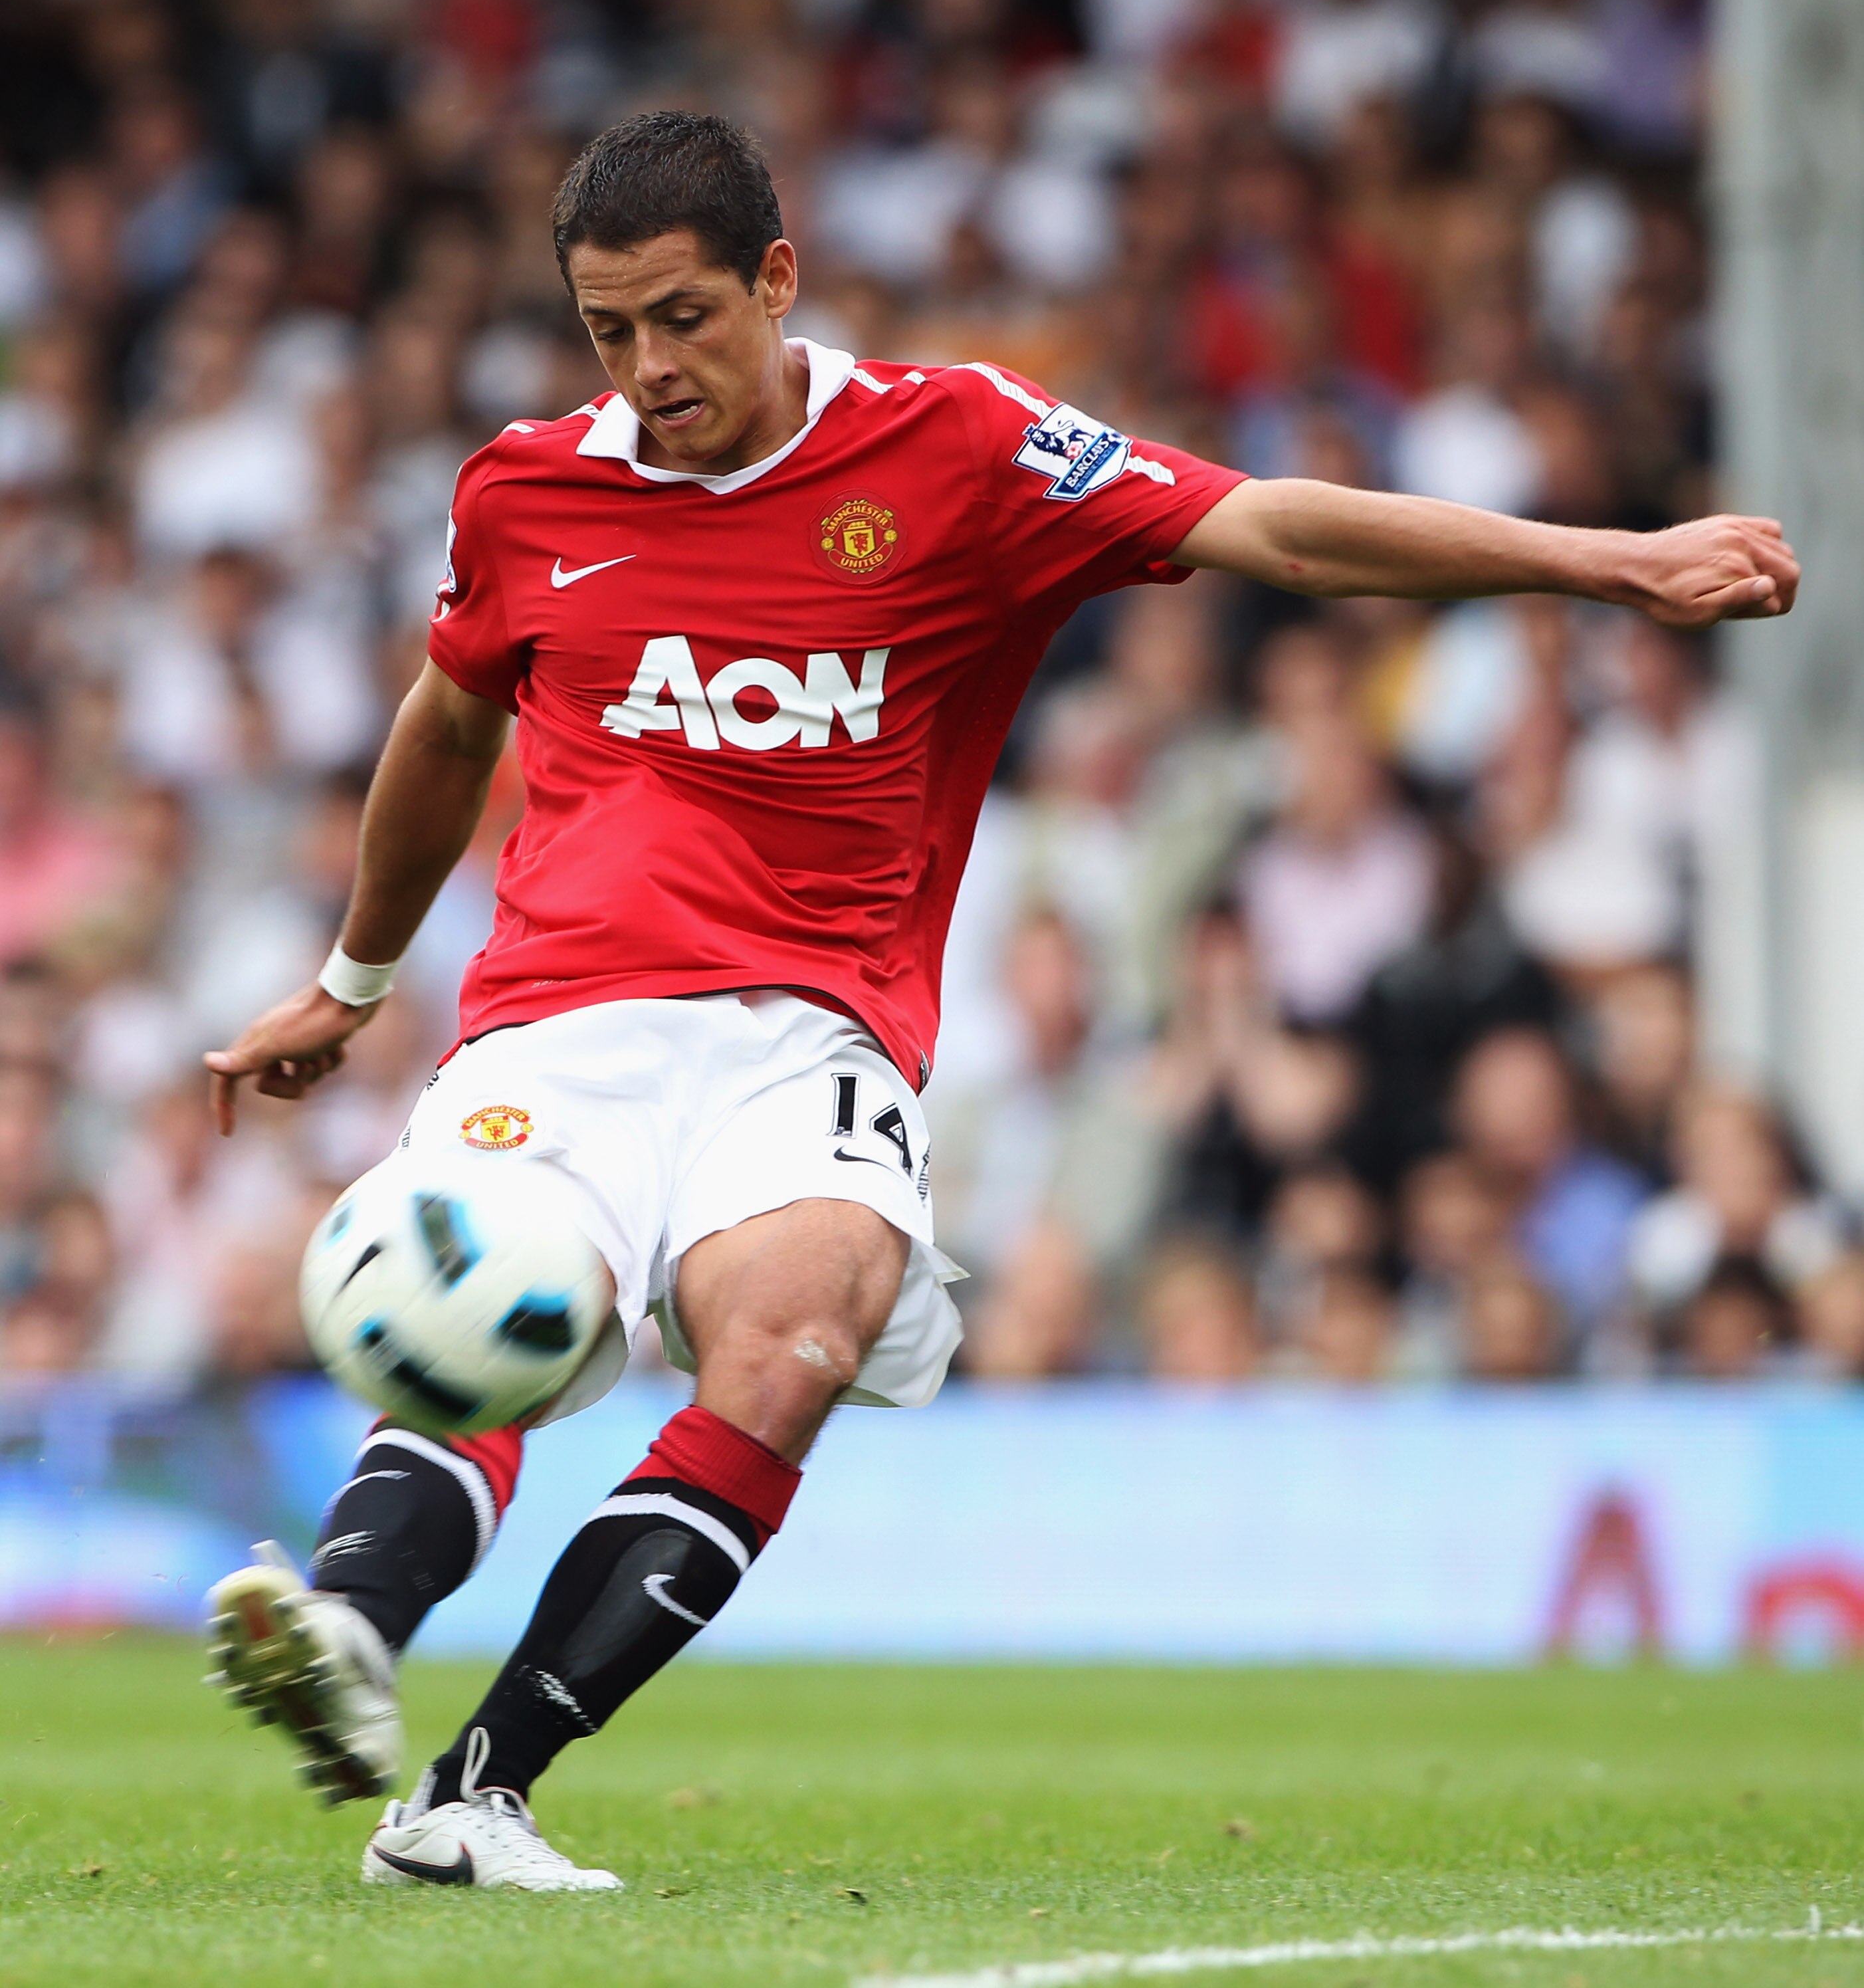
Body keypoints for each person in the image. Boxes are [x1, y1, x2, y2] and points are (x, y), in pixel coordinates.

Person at [196, 111, 1798, 1892]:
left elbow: (1276, 529)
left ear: (777, 282)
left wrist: (1616, 561)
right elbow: (446, 722)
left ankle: (478, 1793)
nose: (649, 369)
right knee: (506, 1305)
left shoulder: (961, 447)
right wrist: (350, 978)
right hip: (560, 1011)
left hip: (812, 1030)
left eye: (682, 319)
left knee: (797, 1338)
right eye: (609, 333)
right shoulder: (525, 492)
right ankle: (342, 1629)